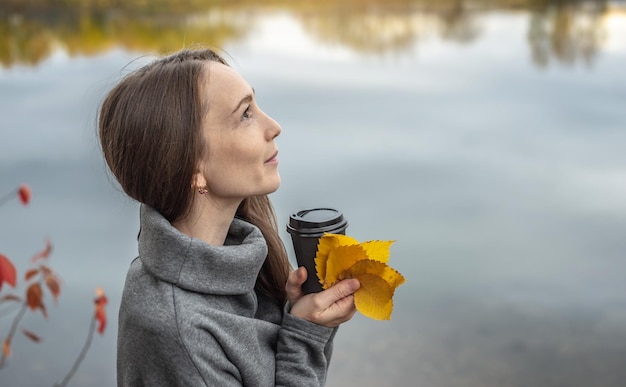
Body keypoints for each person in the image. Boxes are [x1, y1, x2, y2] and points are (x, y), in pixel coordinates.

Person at [97, 47, 360, 386]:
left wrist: (298, 319)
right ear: (193, 166)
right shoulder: (179, 329)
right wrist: (305, 336)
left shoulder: (237, 263)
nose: (275, 127)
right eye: (245, 114)